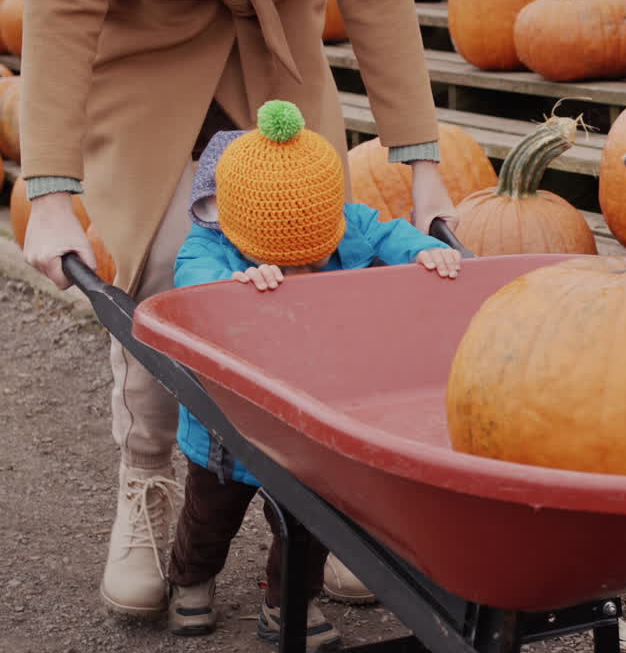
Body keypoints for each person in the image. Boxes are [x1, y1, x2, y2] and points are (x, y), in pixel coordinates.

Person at [18, 0, 454, 616]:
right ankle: (147, 476)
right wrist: (48, 194)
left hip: (273, 31)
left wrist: (425, 170)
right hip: (145, 40)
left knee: (321, 260)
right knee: (163, 267)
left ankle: (342, 498)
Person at [163, 100, 461, 650]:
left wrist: (426, 253)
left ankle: (286, 604)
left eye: (313, 258)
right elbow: (194, 284)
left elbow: (391, 233)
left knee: (310, 525)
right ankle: (191, 582)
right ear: (230, 222)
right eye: (285, 260)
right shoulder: (209, 248)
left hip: (312, 419)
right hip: (226, 431)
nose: (301, 273)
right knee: (209, 518)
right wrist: (236, 284)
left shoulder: (348, 224)